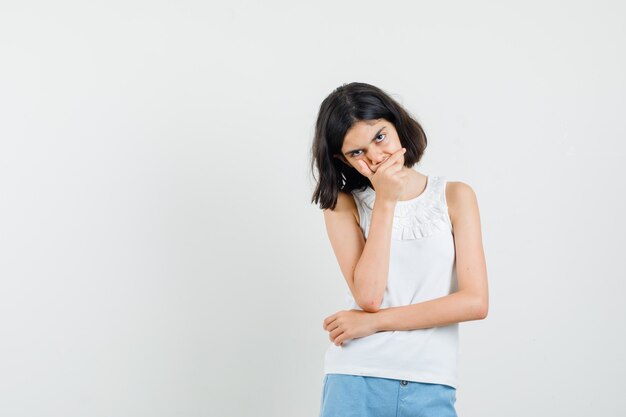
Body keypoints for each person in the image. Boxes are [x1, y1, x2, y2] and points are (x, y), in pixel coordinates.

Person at [309, 82, 489, 417]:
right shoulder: (342, 205)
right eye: (357, 152)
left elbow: (475, 303)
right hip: (355, 379)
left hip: (431, 381)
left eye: (379, 137)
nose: (376, 156)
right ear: (342, 159)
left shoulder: (456, 196)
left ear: (397, 125)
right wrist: (385, 201)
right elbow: (369, 297)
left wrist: (374, 324)